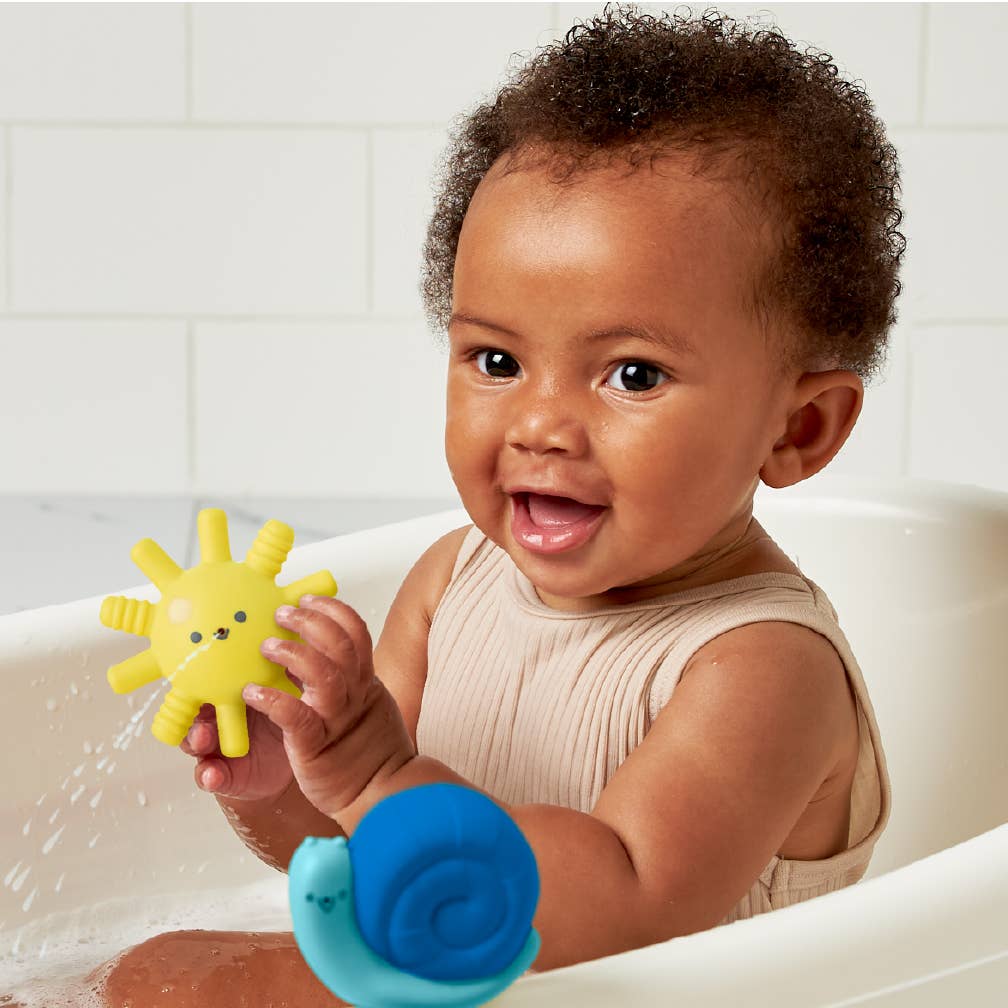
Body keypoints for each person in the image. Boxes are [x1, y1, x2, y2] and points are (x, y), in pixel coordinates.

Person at [95, 5, 900, 1005]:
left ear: (799, 430)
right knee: (155, 967)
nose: (541, 425)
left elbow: (620, 904)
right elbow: (359, 842)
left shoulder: (763, 669)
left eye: (634, 375)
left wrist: (373, 769)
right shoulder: (453, 583)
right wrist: (287, 780)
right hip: (459, 978)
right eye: (497, 360)